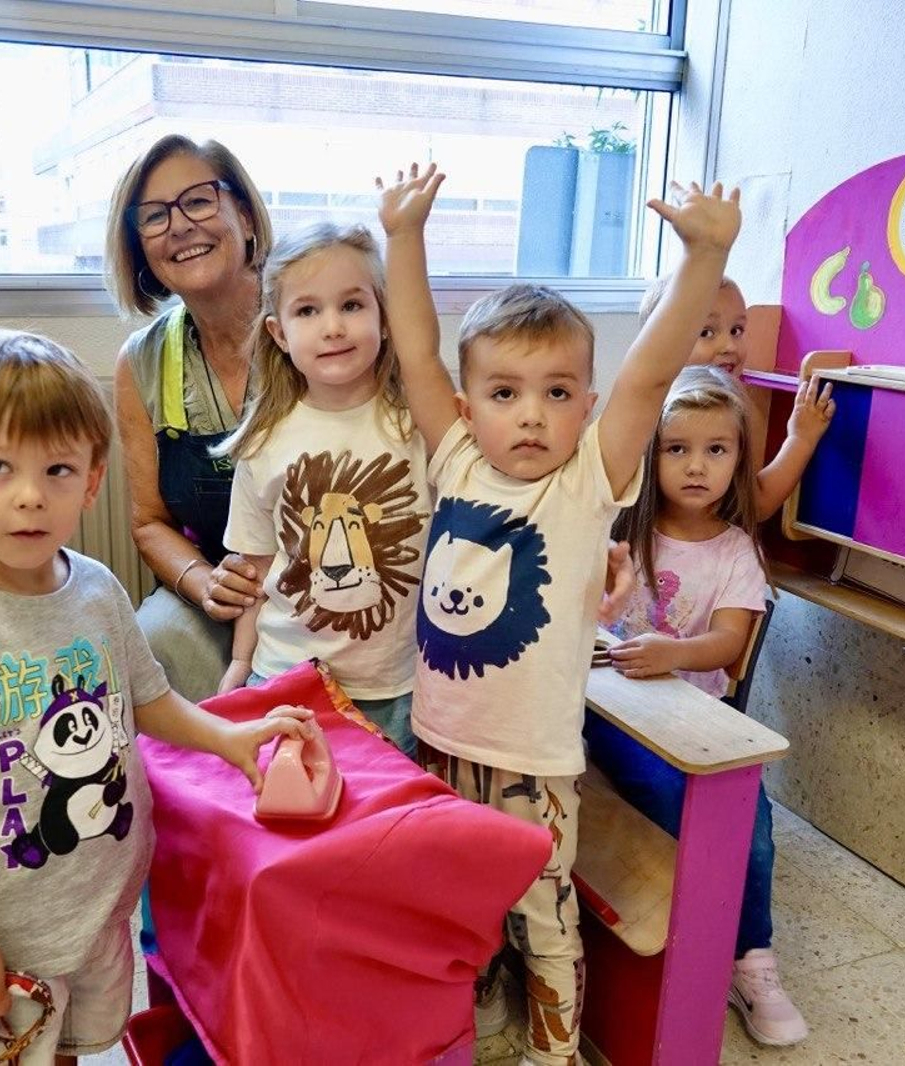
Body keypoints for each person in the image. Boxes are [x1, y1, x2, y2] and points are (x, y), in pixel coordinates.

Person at [0, 328, 313, 1064]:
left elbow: (146, 699)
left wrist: (228, 738)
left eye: (58, 469)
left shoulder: (97, 590)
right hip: (0, 935)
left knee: (66, 1048)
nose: (31, 496)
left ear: (93, 480)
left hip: (99, 909)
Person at [379, 162, 741, 1066]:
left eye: (556, 392)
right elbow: (418, 351)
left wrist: (706, 255)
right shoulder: (456, 457)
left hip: (534, 764)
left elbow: (652, 373)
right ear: (469, 407)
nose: (531, 416)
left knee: (546, 917)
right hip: (440, 740)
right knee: (451, 906)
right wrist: (404, 239)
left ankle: (555, 1054)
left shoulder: (590, 482)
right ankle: (464, 1022)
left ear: (585, 403)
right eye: (505, 393)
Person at [584, 364, 808, 1046]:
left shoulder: (737, 549)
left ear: (739, 459)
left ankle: (753, 960)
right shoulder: (627, 527)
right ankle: (697, 931)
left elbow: (728, 641)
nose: (696, 466)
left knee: (752, 821)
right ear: (653, 456)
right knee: (669, 798)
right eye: (677, 448)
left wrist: (670, 654)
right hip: (614, 713)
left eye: (717, 450)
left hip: (696, 720)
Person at [216, 223, 429, 756]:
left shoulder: (420, 427)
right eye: (307, 311)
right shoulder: (263, 442)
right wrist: (241, 666)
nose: (332, 327)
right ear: (279, 334)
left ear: (384, 315)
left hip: (395, 686)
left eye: (352, 305)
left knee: (383, 829)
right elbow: (255, 570)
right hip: (287, 679)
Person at [108, 135, 273, 702]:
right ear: (140, 249)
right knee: (150, 644)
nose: (179, 226)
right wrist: (206, 587)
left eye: (199, 201)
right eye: (154, 217)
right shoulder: (140, 362)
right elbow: (149, 522)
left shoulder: (316, 325)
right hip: (215, 597)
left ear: (245, 217)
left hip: (322, 589)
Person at [638, 274, 836, 514]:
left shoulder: (729, 410)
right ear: (656, 344)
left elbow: (756, 500)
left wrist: (801, 438)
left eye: (736, 330)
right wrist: (800, 440)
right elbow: (758, 504)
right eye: (706, 333)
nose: (729, 346)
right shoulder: (649, 411)